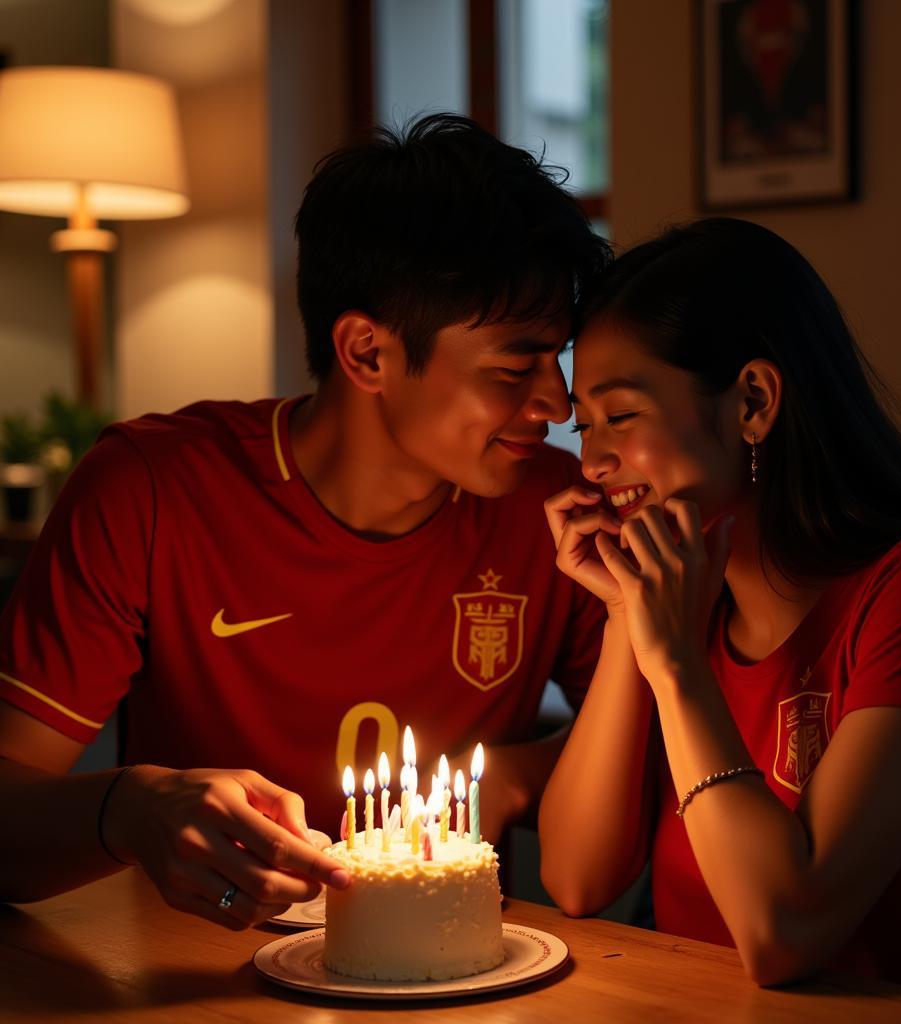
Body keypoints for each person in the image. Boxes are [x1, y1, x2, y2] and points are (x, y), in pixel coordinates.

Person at [0, 114, 611, 930]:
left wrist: (516, 774)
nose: (559, 405)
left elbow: (655, 750)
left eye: (560, 359)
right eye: (515, 365)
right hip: (201, 969)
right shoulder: (149, 490)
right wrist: (127, 809)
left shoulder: (553, 509)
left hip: (453, 976)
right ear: (366, 354)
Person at [538, 218, 901, 1008]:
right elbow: (575, 876)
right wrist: (632, 618)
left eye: (621, 417)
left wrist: (676, 666)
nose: (592, 463)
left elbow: (784, 935)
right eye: (584, 427)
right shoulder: (682, 607)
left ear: (753, 402)